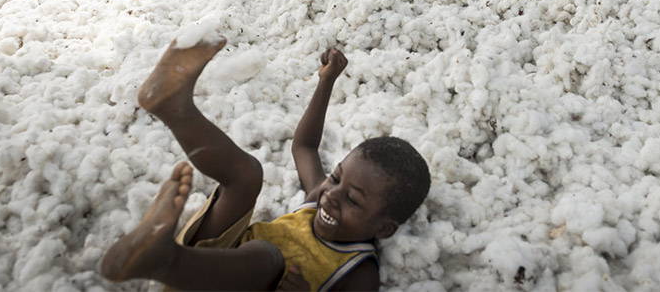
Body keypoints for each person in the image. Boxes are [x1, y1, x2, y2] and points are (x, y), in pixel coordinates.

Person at [101, 39, 431, 291]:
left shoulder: (359, 272)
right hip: (205, 267)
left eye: (353, 200)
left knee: (269, 257)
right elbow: (304, 146)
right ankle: (175, 109)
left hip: (210, 275)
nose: (332, 194)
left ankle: (163, 260)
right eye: (335, 178)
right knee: (247, 175)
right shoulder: (317, 199)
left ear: (383, 229)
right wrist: (326, 81)